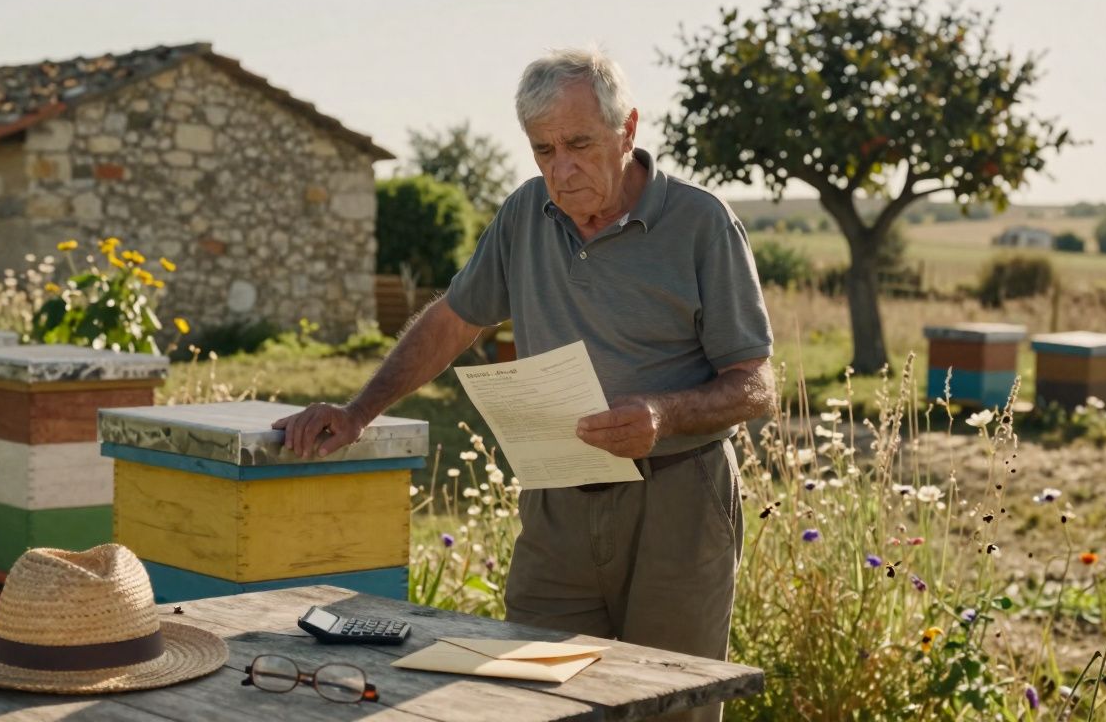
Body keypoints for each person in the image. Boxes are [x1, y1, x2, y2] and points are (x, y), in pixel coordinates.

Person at [273, 47, 774, 722]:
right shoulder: (523, 215)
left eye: (578, 145)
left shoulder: (701, 223)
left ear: (627, 130)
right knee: (530, 696)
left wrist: (663, 411)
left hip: (680, 502)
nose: (561, 172)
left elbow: (756, 385)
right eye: (542, 152)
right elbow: (454, 321)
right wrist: (361, 411)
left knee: (668, 701)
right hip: (558, 503)